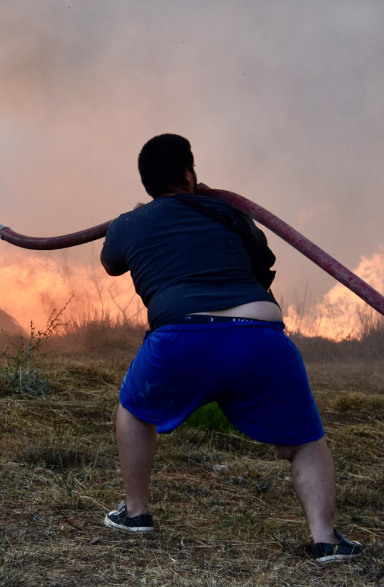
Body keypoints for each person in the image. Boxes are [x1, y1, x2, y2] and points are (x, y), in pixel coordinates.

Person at [99, 133, 364, 563]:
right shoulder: (229, 212)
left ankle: (136, 514)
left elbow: (111, 263)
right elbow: (263, 263)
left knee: (134, 411)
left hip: (182, 340)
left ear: (147, 183)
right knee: (305, 441)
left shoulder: (128, 224)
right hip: (261, 338)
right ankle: (326, 540)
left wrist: (133, 221)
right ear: (189, 173)